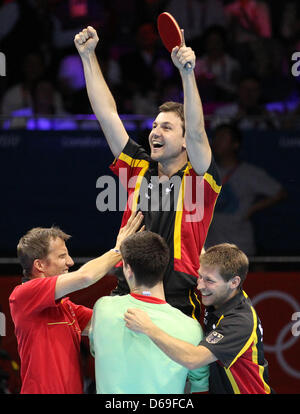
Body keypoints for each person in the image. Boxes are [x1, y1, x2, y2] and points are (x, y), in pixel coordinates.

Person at [74, 26, 221, 318]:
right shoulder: (138, 168)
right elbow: (107, 115)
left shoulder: (200, 178)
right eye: (154, 126)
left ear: (183, 142)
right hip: (127, 291)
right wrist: (88, 56)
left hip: (177, 300)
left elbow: (196, 129)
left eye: (166, 127)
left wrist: (187, 73)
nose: (155, 131)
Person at [9, 211, 144, 394]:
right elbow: (85, 276)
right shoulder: (22, 296)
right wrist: (118, 250)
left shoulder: (66, 307)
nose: (70, 262)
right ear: (39, 265)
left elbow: (110, 323)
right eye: (62, 256)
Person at [124, 243, 273, 394]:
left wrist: (148, 328)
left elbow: (192, 359)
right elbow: (198, 249)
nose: (200, 286)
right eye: (200, 276)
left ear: (234, 282)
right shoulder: (223, 291)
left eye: (209, 280)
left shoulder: (239, 322)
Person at [89, 231, 209, 394]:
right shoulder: (191, 328)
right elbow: (201, 386)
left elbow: (96, 350)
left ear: (128, 269)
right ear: (164, 267)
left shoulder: (103, 308)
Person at [205, 123, 286, 255]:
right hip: (211, 246)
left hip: (239, 245)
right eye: (216, 137)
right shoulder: (206, 171)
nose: (217, 142)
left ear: (235, 145)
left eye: (223, 138)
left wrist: (251, 209)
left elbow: (280, 193)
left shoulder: (249, 172)